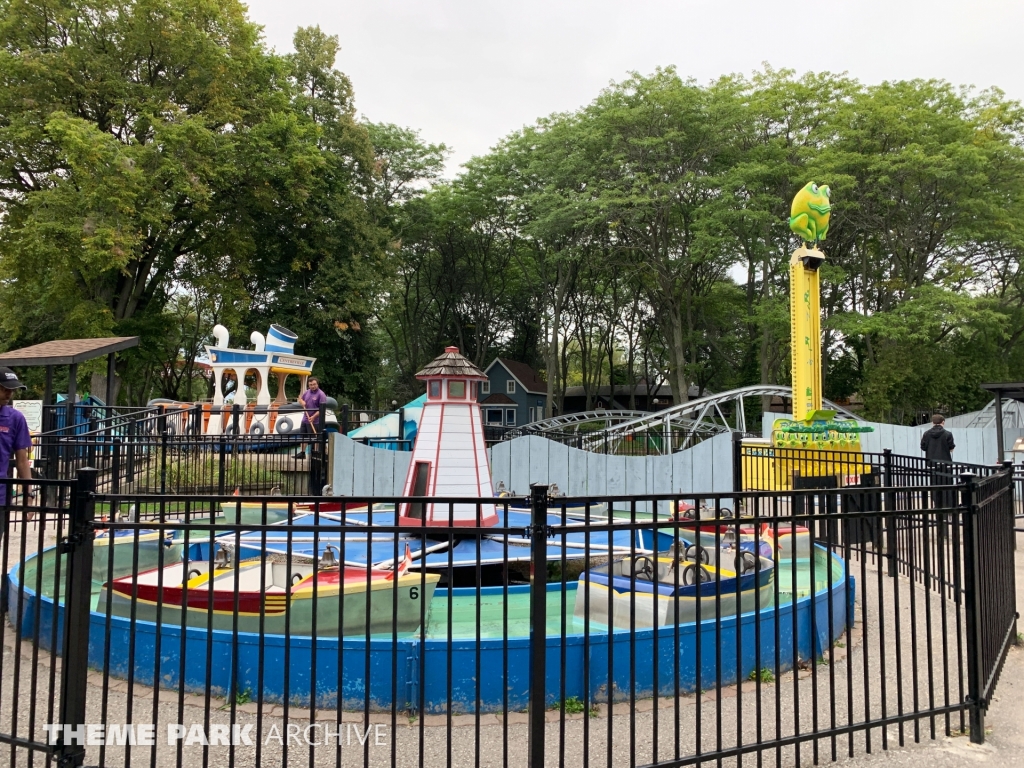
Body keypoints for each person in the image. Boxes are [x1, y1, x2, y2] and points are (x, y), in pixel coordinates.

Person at [0, 367, 34, 519]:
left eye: (12, 390)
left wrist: (29, 496)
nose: (9, 393)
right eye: (4, 388)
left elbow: (22, 460)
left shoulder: (16, 418)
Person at [921, 413, 955, 508]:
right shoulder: (948, 434)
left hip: (932, 464)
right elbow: (951, 447)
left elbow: (923, 447)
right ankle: (947, 507)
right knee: (947, 486)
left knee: (935, 486)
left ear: (932, 422)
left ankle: (937, 506)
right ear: (943, 422)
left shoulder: (926, 434)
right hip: (946, 464)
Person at [296, 377, 327, 459]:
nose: (312, 386)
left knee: (315, 437)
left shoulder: (321, 394)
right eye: (310, 385)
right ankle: (302, 453)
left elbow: (322, 409)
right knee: (303, 436)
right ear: (308, 385)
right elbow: (301, 400)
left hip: (315, 420)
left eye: (314, 384)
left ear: (317, 384)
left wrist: (313, 417)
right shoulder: (306, 393)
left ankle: (316, 453)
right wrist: (301, 402)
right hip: (305, 419)